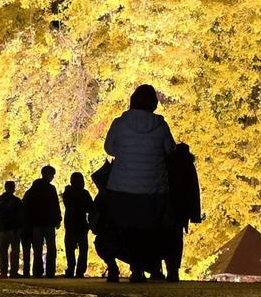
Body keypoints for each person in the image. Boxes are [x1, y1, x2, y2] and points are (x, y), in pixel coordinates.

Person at [102, 84, 175, 281]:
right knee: (147, 231)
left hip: (121, 187)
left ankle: (125, 266)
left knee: (123, 228)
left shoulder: (119, 124)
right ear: (153, 104)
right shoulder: (161, 125)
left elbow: (109, 148)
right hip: (153, 188)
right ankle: (141, 268)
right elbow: (169, 149)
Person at [163, 142, 202, 281]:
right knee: (176, 239)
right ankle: (173, 269)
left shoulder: (164, 163)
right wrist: (194, 214)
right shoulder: (187, 165)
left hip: (164, 205)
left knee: (162, 236)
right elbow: (194, 190)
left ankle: (158, 268)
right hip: (181, 208)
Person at [21, 166, 62, 278]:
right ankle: (50, 271)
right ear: (48, 174)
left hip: (36, 224)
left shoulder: (32, 190)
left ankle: (38, 271)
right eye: (52, 175)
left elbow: (26, 207)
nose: (53, 177)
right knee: (51, 248)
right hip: (49, 223)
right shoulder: (51, 189)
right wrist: (58, 219)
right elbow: (55, 205)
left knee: (37, 249)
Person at [62, 172, 94, 278]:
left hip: (70, 223)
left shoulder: (67, 192)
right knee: (83, 249)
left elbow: (68, 205)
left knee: (70, 249)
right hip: (81, 224)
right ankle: (80, 271)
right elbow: (90, 207)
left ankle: (71, 269)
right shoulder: (84, 193)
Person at [0, 180, 23, 278]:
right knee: (14, 251)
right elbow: (21, 215)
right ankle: (13, 272)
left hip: (3, 229)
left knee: (3, 251)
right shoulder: (17, 201)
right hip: (14, 230)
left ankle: (4, 272)